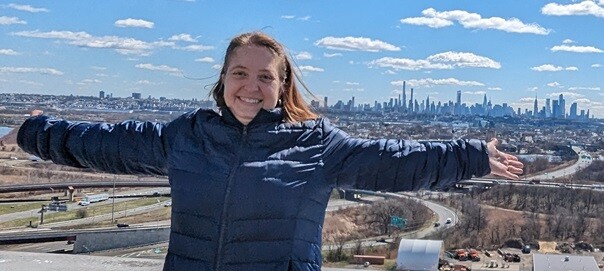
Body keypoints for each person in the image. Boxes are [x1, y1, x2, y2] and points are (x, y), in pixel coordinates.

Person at [17, 31, 523, 271]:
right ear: (223, 80)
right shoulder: (186, 137)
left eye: (265, 76)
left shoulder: (317, 144)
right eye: (241, 73)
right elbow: (100, 144)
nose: (251, 86)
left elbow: (393, 160)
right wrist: (31, 131)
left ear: (282, 87)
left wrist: (469, 154)